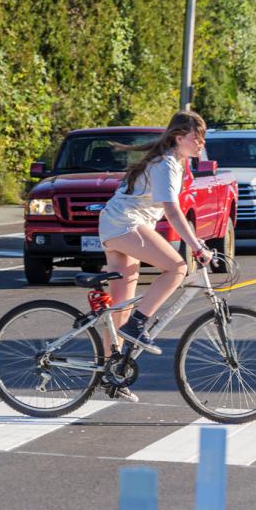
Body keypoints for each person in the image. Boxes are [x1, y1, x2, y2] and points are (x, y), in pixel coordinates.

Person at [97, 110, 214, 402]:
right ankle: (138, 324)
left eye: (202, 137)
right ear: (179, 138)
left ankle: (110, 374)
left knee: (121, 308)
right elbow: (172, 211)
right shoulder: (166, 164)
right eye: (195, 137)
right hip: (125, 223)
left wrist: (195, 240)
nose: (200, 142)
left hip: (118, 224)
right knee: (177, 267)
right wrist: (197, 246)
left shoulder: (174, 162)